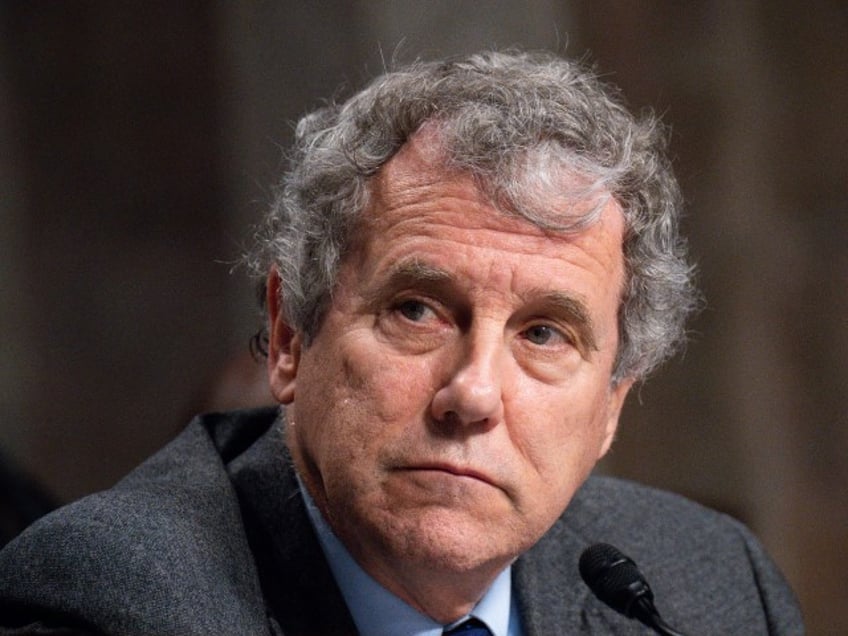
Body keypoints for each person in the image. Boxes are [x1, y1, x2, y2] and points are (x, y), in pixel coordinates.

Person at [0, 50, 803, 635]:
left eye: (545, 333)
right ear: (288, 337)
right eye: (418, 311)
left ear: (611, 409)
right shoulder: (114, 603)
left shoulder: (709, 586)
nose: (474, 395)